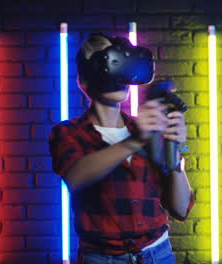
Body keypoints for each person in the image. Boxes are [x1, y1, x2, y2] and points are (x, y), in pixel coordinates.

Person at [48, 33, 194, 264]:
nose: (116, 76)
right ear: (83, 81)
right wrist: (135, 141)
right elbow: (76, 177)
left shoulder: (147, 128)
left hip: (158, 254)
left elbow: (181, 209)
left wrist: (173, 155)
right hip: (102, 258)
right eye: (107, 65)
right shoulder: (68, 133)